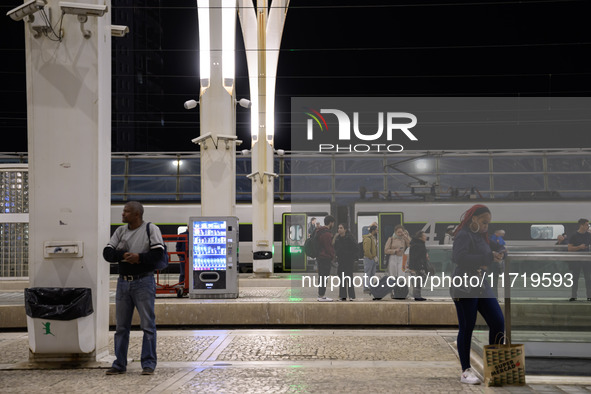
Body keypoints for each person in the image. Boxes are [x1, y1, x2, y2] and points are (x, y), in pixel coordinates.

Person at [103, 201, 165, 376]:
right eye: (124, 211)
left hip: (144, 282)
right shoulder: (120, 231)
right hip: (123, 282)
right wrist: (123, 254)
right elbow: (107, 253)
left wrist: (139, 257)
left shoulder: (151, 229)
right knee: (121, 327)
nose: (123, 214)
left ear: (137, 214)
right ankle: (119, 363)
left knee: (147, 325)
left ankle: (148, 363)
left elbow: (158, 253)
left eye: (126, 211)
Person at [451, 204, 506, 385]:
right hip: (464, 286)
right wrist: (488, 258)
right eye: (484, 222)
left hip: (481, 284)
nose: (486, 226)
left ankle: (495, 368)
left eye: (488, 223)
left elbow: (490, 251)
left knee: (498, 321)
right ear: (473, 218)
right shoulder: (463, 235)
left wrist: (499, 253)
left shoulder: (481, 237)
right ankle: (465, 371)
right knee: (467, 327)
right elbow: (458, 258)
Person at [567, 218, 591, 302]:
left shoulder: (589, 235)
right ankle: (574, 296)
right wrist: (579, 247)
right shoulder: (574, 235)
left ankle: (589, 296)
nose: (588, 226)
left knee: (588, 278)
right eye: (587, 225)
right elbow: (569, 248)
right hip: (576, 260)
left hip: (587, 260)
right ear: (581, 225)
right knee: (575, 278)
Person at [384, 225, 411, 298]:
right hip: (393, 257)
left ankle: (402, 292)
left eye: (401, 232)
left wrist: (406, 236)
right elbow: (386, 250)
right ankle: (393, 292)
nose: (400, 234)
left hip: (402, 258)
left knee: (401, 275)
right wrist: (394, 250)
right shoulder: (391, 239)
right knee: (392, 276)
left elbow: (410, 245)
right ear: (395, 232)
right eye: (398, 232)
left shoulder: (404, 239)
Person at [334, 223, 357, 301]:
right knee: (342, 280)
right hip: (341, 262)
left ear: (345, 229)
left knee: (349, 279)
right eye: (338, 228)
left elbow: (355, 249)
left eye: (341, 228)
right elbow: (335, 248)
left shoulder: (350, 238)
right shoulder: (337, 239)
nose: (339, 229)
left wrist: (351, 257)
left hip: (349, 262)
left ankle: (351, 296)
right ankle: (343, 296)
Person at [316, 215, 336, 302]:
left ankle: (321, 295)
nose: (333, 224)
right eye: (333, 223)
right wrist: (333, 256)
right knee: (324, 277)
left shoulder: (319, 231)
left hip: (320, 257)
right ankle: (321, 296)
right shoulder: (327, 233)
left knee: (321, 276)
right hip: (325, 258)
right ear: (331, 222)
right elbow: (328, 247)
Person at [408, 231, 428, 301]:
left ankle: (417, 295)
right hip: (418, 266)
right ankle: (417, 295)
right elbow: (418, 256)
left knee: (418, 280)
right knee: (419, 280)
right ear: (420, 237)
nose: (426, 237)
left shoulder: (414, 243)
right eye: (424, 236)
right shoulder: (420, 245)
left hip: (414, 265)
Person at [488, 229, 506, 298]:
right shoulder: (493, 239)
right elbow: (502, 248)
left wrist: (501, 254)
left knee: (492, 283)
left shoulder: (493, 239)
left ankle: (493, 298)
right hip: (492, 265)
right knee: (493, 283)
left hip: (491, 265)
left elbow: (502, 249)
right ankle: (494, 298)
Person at [362, 225, 378, 293]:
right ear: (373, 230)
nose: (377, 231)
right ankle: (365, 287)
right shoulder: (368, 238)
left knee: (372, 274)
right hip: (368, 259)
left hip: (373, 258)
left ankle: (370, 286)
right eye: (377, 230)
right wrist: (371, 257)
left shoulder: (373, 238)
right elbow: (366, 250)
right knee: (367, 273)